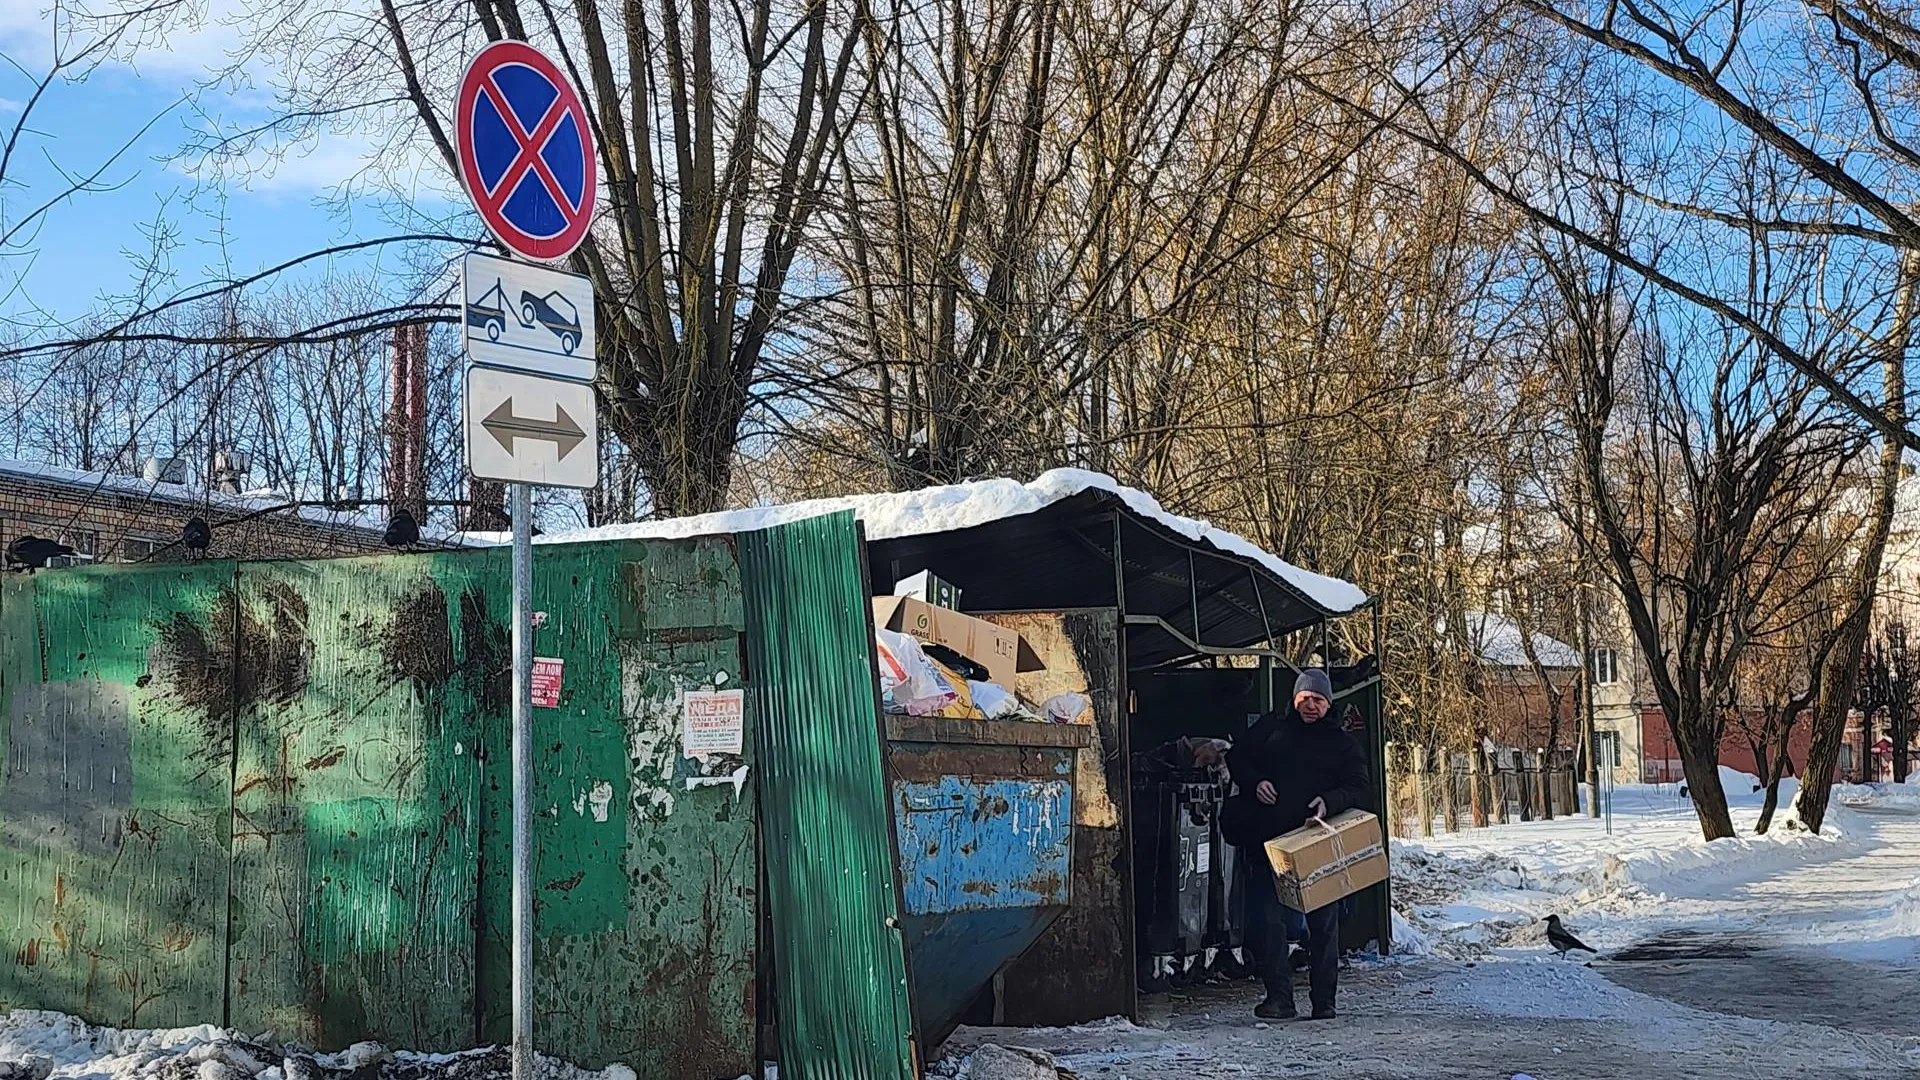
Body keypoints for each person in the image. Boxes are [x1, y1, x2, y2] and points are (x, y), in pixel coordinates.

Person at [1222, 668, 1370, 1021]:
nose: (1310, 706)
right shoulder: (1272, 730)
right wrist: (1255, 782)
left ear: (1328, 703)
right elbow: (1237, 758)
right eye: (1305, 699)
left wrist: (1329, 801)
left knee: (1323, 926)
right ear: (1294, 699)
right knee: (1267, 922)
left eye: (1318, 700)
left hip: (1318, 843)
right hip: (1271, 842)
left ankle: (1324, 1002)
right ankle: (1279, 999)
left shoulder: (1342, 744)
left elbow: (1360, 787)